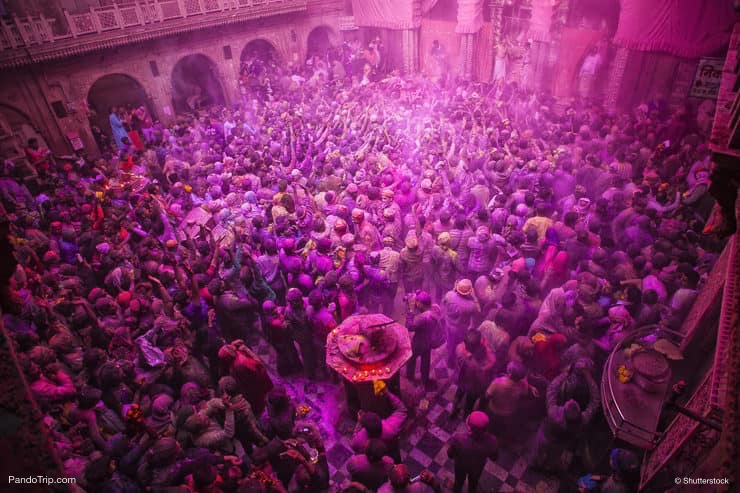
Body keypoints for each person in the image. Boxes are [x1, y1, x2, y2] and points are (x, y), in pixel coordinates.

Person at [446, 411, 498, 493]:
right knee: (473, 484)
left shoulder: (459, 439)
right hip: (477, 467)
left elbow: (450, 454)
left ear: (469, 427)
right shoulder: (492, 441)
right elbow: (494, 457)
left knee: (458, 483)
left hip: (461, 466)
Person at [405, 290, 441, 389]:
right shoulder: (435, 309)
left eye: (417, 302)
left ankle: (410, 377)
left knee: (411, 359)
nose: (415, 304)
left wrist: (411, 311)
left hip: (419, 342)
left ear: (421, 304)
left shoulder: (423, 318)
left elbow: (409, 327)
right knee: (426, 360)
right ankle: (424, 380)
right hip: (429, 341)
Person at [441, 279, 481, 368]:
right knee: (456, 346)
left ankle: (449, 350)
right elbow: (478, 311)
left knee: (449, 340)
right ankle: (451, 363)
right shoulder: (471, 305)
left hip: (448, 323)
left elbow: (444, 302)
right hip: (459, 329)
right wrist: (474, 297)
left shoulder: (449, 295)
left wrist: (454, 289)